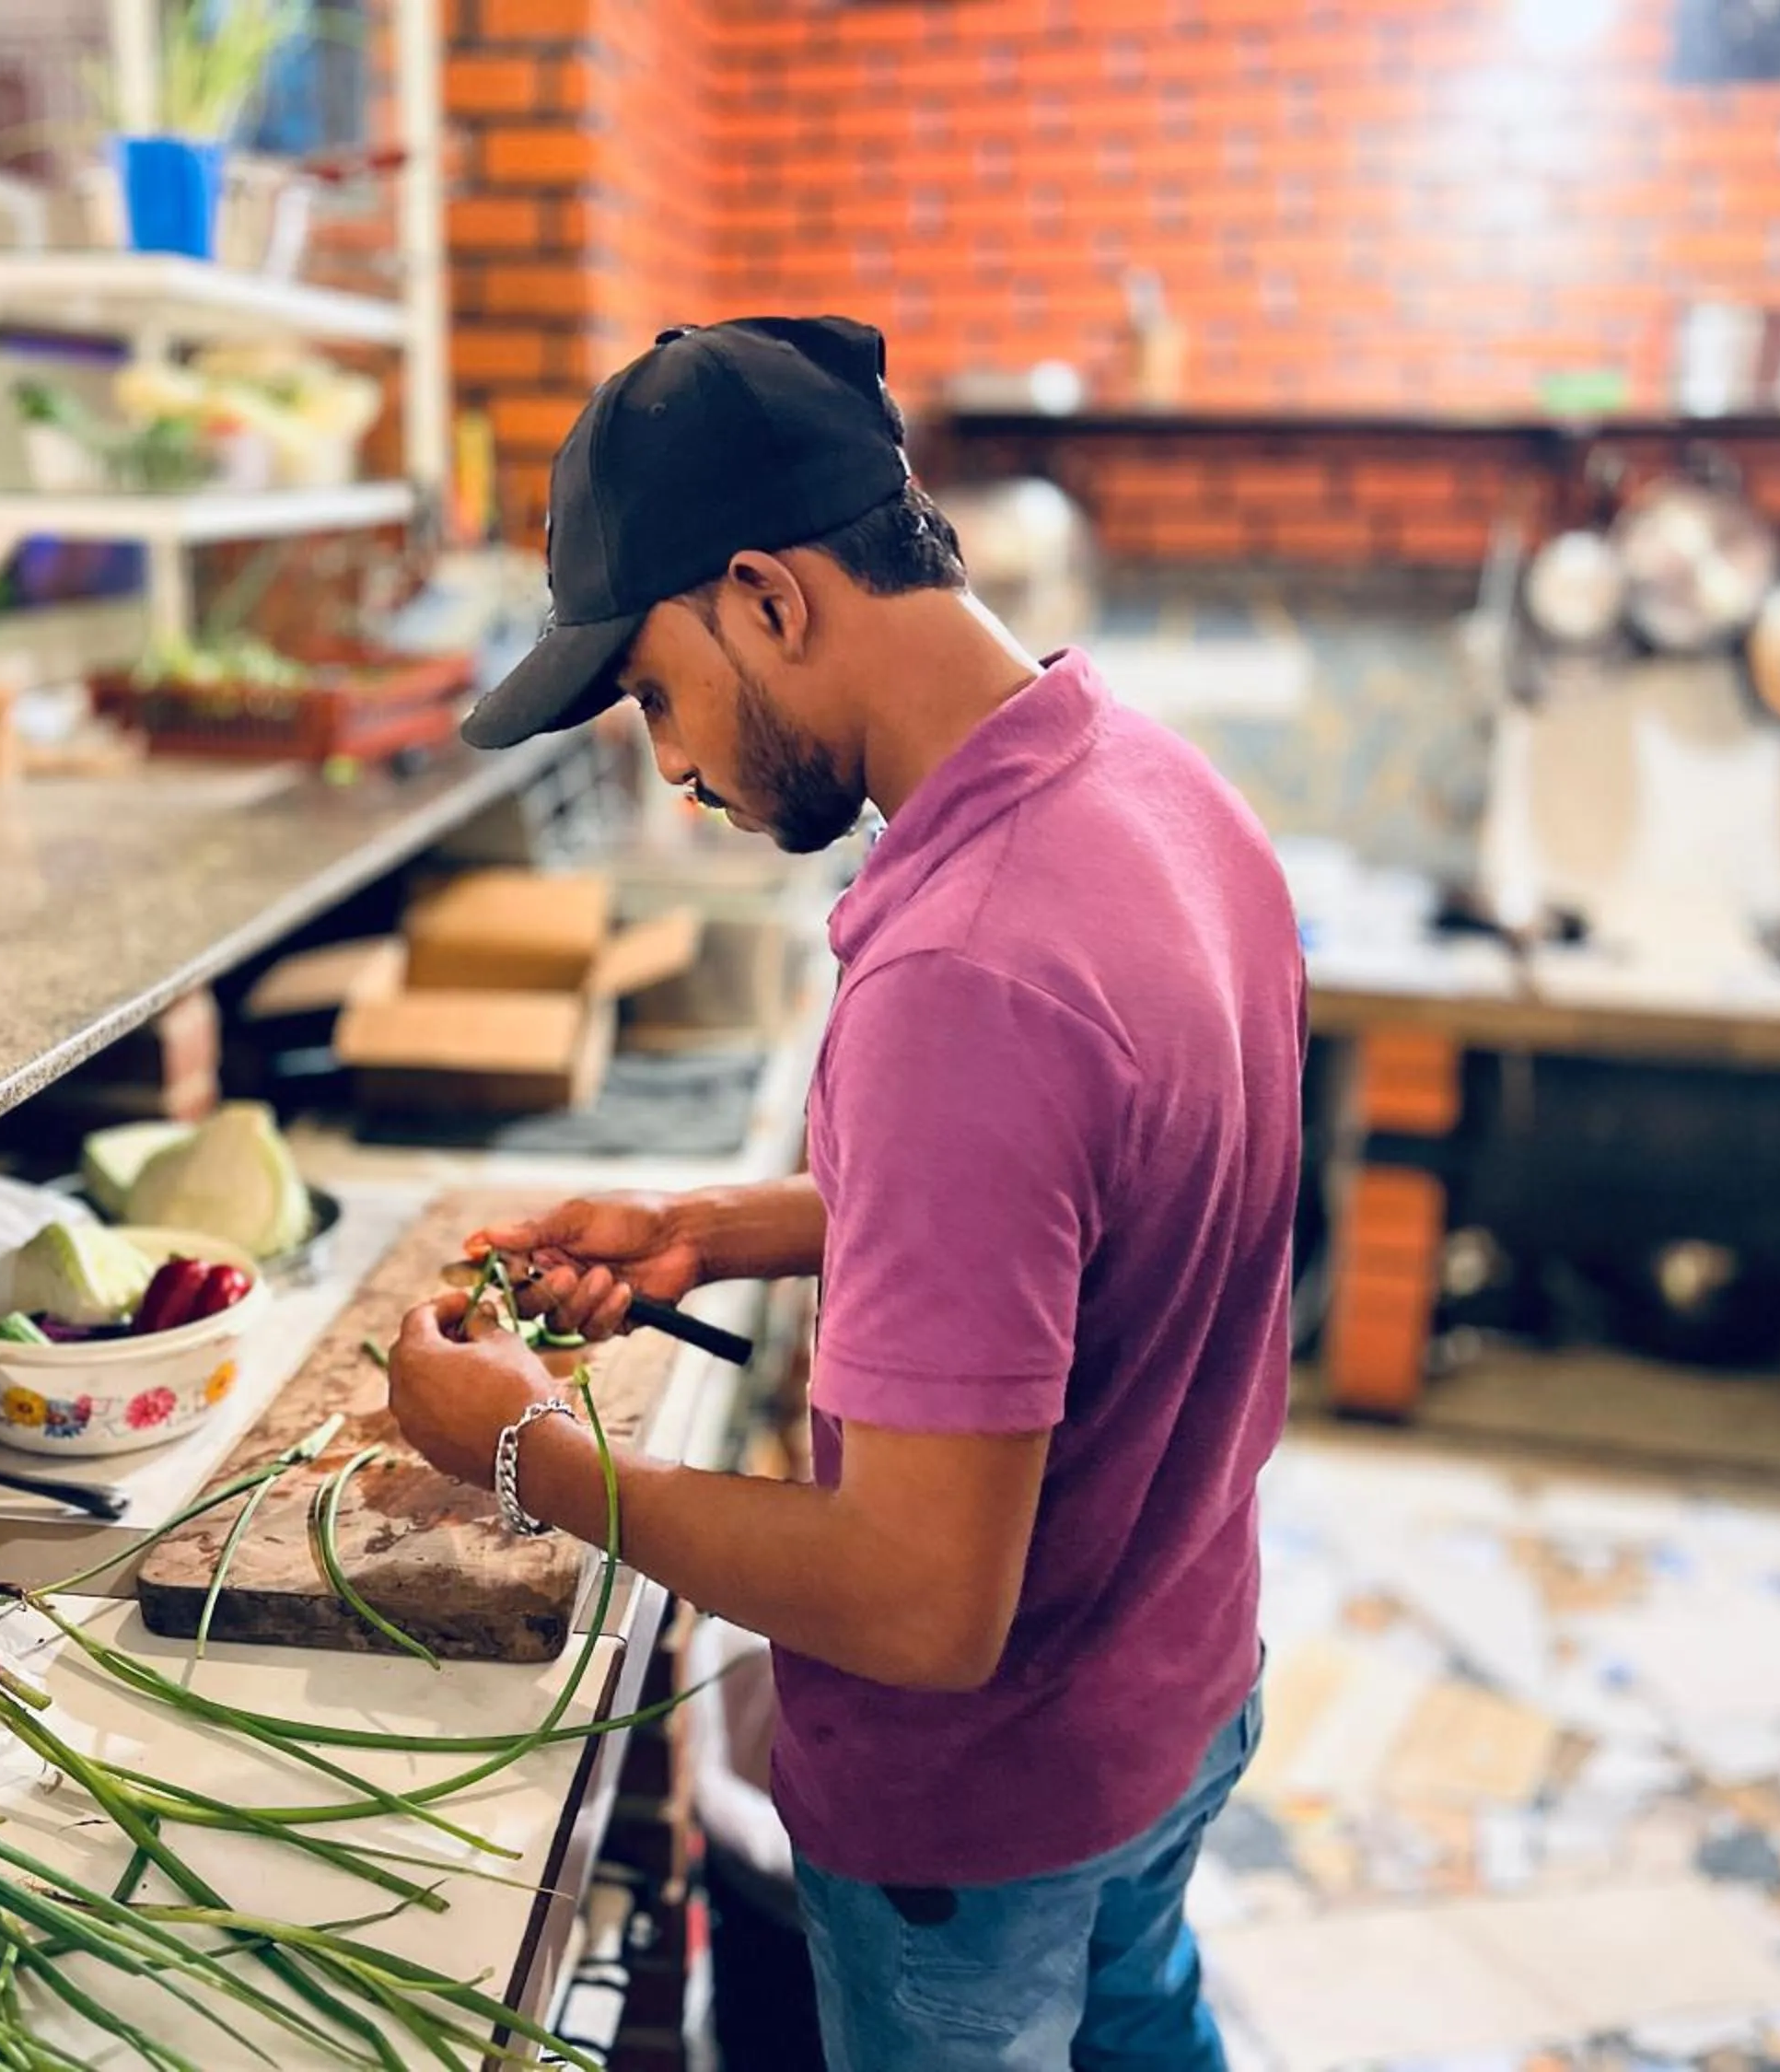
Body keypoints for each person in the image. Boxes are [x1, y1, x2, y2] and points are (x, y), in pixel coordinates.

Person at [381, 315, 1305, 2072]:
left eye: (656, 691)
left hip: (992, 1817)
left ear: (767, 598)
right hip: (1180, 1687)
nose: (669, 763)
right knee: (1146, 2028)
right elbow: (1106, 1193)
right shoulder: (1159, 789)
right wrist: (719, 1229)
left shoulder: (963, 976)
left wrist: (524, 1451)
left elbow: (916, 1602)